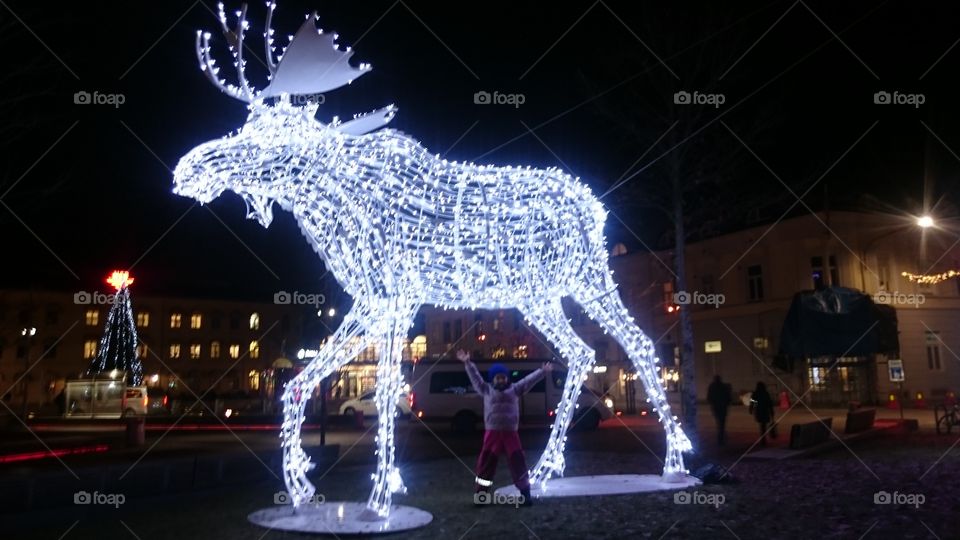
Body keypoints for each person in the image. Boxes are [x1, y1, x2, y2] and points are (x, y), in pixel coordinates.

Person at [457, 349, 551, 506]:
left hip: (510, 433)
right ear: (493, 379)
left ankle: (525, 494)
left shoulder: (515, 389)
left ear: (507, 378)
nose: (501, 380)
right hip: (492, 433)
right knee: (486, 463)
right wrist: (467, 362)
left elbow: (528, 380)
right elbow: (475, 378)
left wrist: (542, 371)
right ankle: (481, 496)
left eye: (503, 377)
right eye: (498, 377)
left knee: (518, 462)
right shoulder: (486, 389)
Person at [706, 375, 732, 445]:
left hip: (716, 407)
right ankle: (721, 437)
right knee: (722, 423)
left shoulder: (712, 387)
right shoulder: (723, 386)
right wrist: (727, 403)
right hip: (722, 407)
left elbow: (709, 397)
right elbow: (728, 397)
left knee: (719, 422)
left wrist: (712, 403)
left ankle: (720, 437)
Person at [749, 381, 776, 446]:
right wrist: (772, 412)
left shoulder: (755, 393)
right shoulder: (765, 393)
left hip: (759, 411)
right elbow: (769, 403)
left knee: (762, 425)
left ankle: (763, 439)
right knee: (763, 425)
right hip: (765, 411)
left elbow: (753, 402)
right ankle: (764, 439)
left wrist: (752, 409)